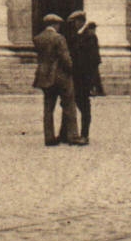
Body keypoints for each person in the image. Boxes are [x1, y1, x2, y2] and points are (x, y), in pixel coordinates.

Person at [32, 13, 80, 145]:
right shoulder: (59, 38)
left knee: (48, 108)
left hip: (44, 77)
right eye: (58, 25)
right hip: (60, 77)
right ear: (55, 24)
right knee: (69, 106)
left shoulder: (38, 38)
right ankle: (73, 136)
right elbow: (65, 58)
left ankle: (49, 138)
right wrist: (72, 69)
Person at [71, 20, 102, 144]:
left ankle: (84, 135)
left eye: (74, 22)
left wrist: (93, 83)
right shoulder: (78, 35)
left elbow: (94, 60)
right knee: (74, 106)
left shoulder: (89, 37)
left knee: (84, 108)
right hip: (77, 77)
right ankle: (70, 134)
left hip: (84, 78)